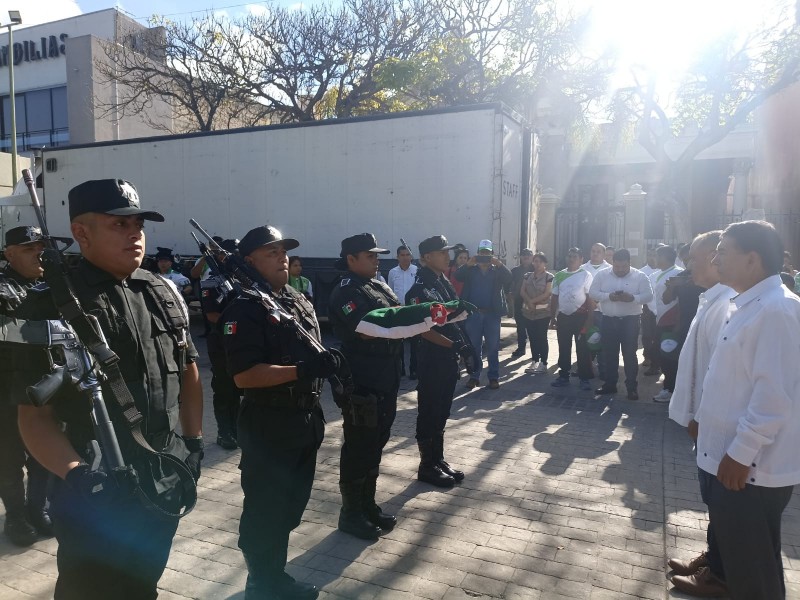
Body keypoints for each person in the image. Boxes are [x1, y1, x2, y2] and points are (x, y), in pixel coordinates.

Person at [16, 179, 204, 599]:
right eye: (118, 224)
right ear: (81, 233)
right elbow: (32, 416)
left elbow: (189, 369)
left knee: (143, 585)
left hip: (162, 475)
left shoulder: (160, 291)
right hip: (95, 490)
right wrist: (78, 475)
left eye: (138, 223)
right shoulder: (49, 305)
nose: (134, 233)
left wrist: (192, 443)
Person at [691, 221, 800, 599]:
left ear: (752, 259)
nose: (715, 259)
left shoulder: (777, 309)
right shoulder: (747, 304)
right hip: (729, 458)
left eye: (723, 251)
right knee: (747, 564)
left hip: (749, 470)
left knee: (754, 575)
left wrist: (741, 453)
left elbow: (773, 396)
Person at [221, 226, 330, 600]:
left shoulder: (295, 300)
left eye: (283, 250)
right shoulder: (245, 308)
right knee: (266, 510)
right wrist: (303, 371)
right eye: (271, 252)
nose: (282, 256)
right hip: (269, 425)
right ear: (249, 261)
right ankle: (261, 583)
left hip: (304, 421)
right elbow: (243, 375)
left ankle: (274, 575)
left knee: (290, 507)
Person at [667, 230, 735, 597]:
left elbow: (720, 373)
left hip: (718, 422)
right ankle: (714, 558)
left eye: (694, 257)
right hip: (706, 420)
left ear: (715, 256)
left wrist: (699, 415)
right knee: (713, 497)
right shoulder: (712, 298)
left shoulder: (728, 304)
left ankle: (721, 574)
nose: (688, 264)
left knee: (721, 498)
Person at [328, 233, 403, 540]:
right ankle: (350, 514)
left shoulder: (378, 285)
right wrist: (404, 324)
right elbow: (369, 329)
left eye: (377, 255)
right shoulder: (345, 291)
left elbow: (396, 316)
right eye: (370, 256)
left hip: (385, 376)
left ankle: (367, 505)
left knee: (376, 443)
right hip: (362, 380)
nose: (376, 260)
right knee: (359, 445)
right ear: (351, 259)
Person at [405, 236, 476, 488]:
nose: (447, 256)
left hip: (447, 357)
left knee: (443, 409)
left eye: (447, 252)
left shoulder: (443, 282)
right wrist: (454, 345)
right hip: (431, 358)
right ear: (426, 258)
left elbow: (453, 317)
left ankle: (438, 459)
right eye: (441, 252)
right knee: (430, 411)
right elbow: (423, 330)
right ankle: (427, 465)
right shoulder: (420, 289)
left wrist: (464, 347)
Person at [0, 227, 54, 546]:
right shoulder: (4, 287)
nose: (38, 253)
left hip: (43, 386)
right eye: (28, 249)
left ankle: (37, 510)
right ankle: (16, 518)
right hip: (6, 387)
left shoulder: (45, 284)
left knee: (43, 453)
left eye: (40, 248)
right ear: (10, 254)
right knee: (9, 457)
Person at [589, 249, 653, 400]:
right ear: (613, 263)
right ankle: (610, 385)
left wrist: (632, 298)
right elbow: (592, 293)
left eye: (623, 267)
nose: (619, 270)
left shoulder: (640, 276)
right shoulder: (602, 274)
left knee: (629, 355)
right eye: (616, 267)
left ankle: (631, 388)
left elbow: (648, 296)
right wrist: (608, 296)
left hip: (630, 321)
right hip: (608, 320)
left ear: (629, 263)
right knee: (609, 354)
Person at [202, 239, 243, 450]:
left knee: (240, 388)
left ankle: (238, 429)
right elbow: (212, 315)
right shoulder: (212, 281)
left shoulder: (245, 279)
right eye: (226, 255)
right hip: (221, 343)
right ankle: (224, 432)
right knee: (225, 389)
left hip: (242, 342)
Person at [454, 239, 512, 389]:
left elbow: (509, 277)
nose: (484, 256)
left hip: (492, 314)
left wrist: (498, 263)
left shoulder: (497, 271)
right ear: (478, 253)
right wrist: (469, 263)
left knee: (493, 347)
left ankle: (493, 376)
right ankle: (474, 376)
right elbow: (457, 276)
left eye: (487, 253)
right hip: (474, 314)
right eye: (482, 253)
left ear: (492, 254)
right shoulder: (470, 270)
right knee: (474, 347)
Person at [550, 248, 594, 390]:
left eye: (575, 256)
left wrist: (589, 320)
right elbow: (554, 297)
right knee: (563, 348)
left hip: (581, 317)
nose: (571, 259)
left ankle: (584, 378)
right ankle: (563, 376)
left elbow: (590, 299)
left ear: (581, 259)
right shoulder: (559, 275)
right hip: (563, 317)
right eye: (569, 256)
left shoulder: (585, 275)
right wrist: (552, 317)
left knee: (582, 349)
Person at [649, 246, 684, 402]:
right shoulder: (657, 274)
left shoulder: (677, 273)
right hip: (660, 319)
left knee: (669, 356)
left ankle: (670, 389)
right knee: (662, 355)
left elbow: (679, 301)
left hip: (671, 321)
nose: (653, 259)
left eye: (656, 256)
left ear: (664, 257)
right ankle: (669, 387)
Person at [388, 245, 419, 379]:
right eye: (402, 255)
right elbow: (390, 291)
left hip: (413, 310)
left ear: (411, 256)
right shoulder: (392, 272)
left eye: (408, 255)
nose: (405, 257)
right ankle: (400, 369)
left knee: (415, 343)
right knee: (398, 342)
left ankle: (414, 369)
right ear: (397, 257)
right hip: (399, 309)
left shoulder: (417, 271)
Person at [519, 252, 552, 374]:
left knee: (541, 337)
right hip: (528, 312)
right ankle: (534, 360)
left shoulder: (549, 277)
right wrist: (529, 302)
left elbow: (547, 293)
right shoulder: (527, 276)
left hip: (543, 313)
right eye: (536, 261)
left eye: (540, 262)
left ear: (545, 264)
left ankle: (544, 363)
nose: (537, 264)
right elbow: (522, 291)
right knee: (532, 337)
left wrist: (532, 302)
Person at [509, 249, 535, 358]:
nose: (526, 257)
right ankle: (521, 348)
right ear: (520, 257)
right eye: (524, 255)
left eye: (528, 255)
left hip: (533, 302)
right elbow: (509, 284)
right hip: (519, 302)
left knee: (533, 328)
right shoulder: (514, 271)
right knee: (520, 327)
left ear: (532, 257)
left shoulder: (536, 269)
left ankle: (535, 352)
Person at [639, 247, 659, 368]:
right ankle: (647, 356)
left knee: (658, 334)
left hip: (661, 307)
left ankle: (658, 359)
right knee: (647, 333)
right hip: (646, 308)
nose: (652, 258)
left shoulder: (663, 270)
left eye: (655, 255)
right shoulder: (642, 272)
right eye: (650, 255)